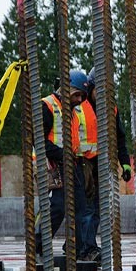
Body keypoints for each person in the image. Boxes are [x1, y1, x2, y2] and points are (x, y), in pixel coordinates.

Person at [35, 69, 93, 258]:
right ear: (66, 88)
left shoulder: (73, 112)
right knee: (57, 206)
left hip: (72, 164)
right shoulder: (48, 106)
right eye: (76, 94)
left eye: (82, 96)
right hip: (52, 164)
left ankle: (77, 249)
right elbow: (39, 140)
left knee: (81, 208)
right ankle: (38, 244)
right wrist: (61, 154)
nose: (79, 99)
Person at [76, 70, 132, 262]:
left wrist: (125, 163)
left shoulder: (111, 108)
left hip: (101, 162)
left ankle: (79, 245)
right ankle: (88, 248)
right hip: (81, 161)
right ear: (91, 88)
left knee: (98, 208)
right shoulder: (79, 106)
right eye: (99, 89)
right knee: (87, 208)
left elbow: (120, 137)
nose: (103, 94)